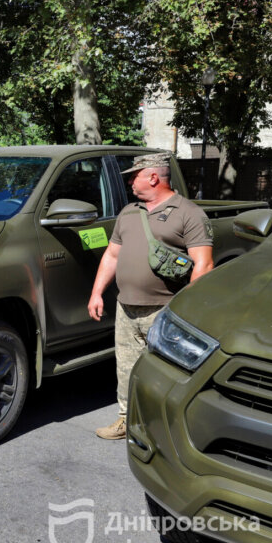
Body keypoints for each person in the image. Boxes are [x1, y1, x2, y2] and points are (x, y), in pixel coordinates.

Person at [87, 152, 214, 440]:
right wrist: (97, 293)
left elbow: (204, 265)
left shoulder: (188, 213)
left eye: (134, 176)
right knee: (127, 367)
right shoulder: (129, 212)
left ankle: (167, 431)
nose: (130, 182)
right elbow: (112, 255)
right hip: (126, 309)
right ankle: (126, 419)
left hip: (165, 311)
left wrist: (184, 311)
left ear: (153, 177)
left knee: (168, 373)